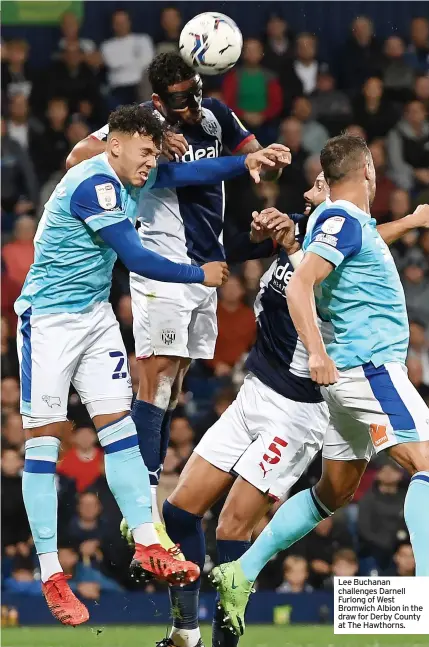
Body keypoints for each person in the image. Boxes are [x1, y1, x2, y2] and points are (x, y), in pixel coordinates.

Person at [15, 103, 281, 626]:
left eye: (153, 153)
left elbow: (188, 172)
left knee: (119, 431)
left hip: (93, 318)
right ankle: (51, 573)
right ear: (115, 144)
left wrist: (246, 160)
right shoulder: (93, 184)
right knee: (45, 443)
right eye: (144, 151)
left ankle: (145, 539)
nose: (150, 163)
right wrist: (196, 273)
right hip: (48, 321)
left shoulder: (131, 171)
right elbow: (136, 258)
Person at [155, 174, 428, 647]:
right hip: (253, 393)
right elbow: (232, 249)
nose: (309, 191)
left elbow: (358, 241)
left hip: (297, 411)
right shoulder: (304, 228)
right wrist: (265, 233)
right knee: (179, 512)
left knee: (232, 526)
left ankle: (226, 642)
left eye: (322, 183)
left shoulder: (336, 253)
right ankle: (184, 633)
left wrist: (407, 222)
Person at [66, 52, 290, 557]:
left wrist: (264, 156)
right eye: (176, 99)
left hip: (206, 266)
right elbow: (78, 156)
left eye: (192, 92)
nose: (187, 105)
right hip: (161, 264)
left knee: (175, 383)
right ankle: (141, 513)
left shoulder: (215, 115)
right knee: (157, 373)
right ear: (156, 98)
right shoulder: (144, 127)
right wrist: (148, 156)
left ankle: (147, 502)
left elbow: (252, 153)